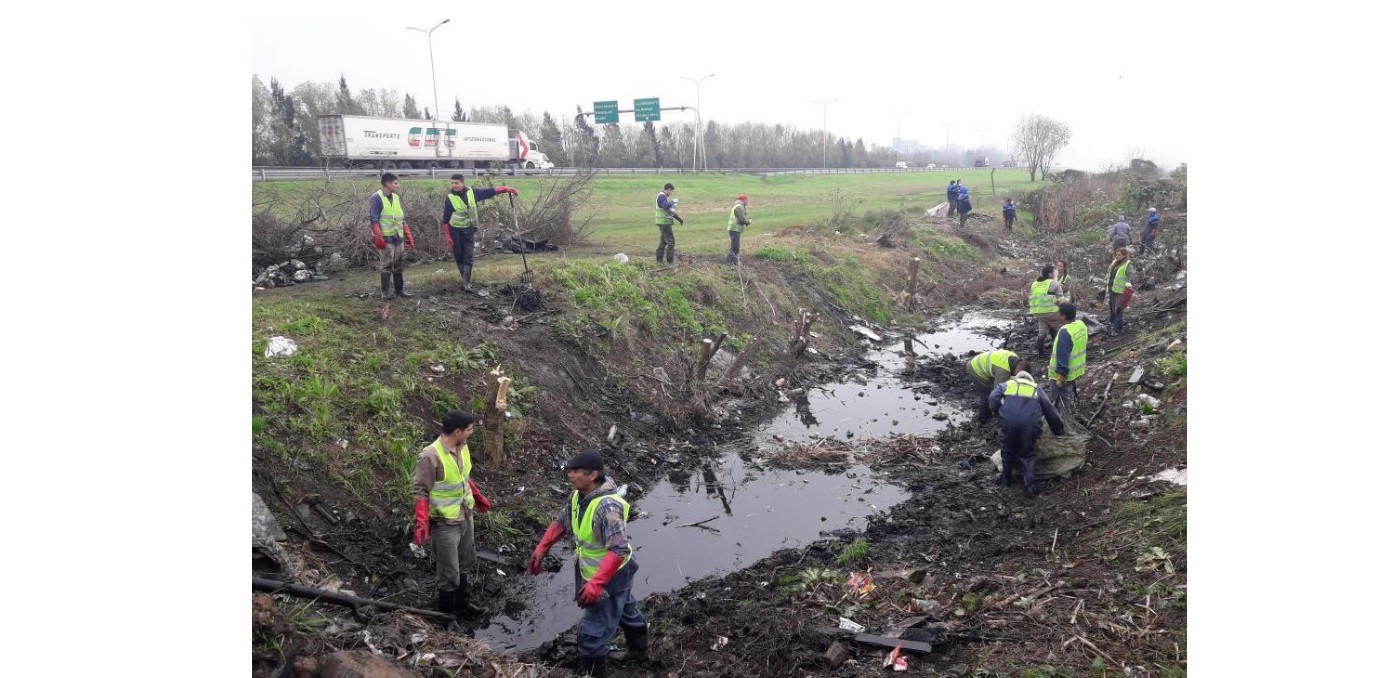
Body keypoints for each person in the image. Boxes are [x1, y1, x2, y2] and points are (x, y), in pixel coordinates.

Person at [528, 450, 647, 677]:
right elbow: (562, 521)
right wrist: (542, 548)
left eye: (575, 472)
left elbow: (618, 548)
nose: (569, 475)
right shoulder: (579, 496)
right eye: (569, 471)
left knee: (590, 636)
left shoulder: (608, 508)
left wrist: (595, 585)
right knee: (626, 610)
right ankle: (639, 655)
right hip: (608, 572)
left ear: (593, 475)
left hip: (612, 575)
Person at [412, 410, 493, 620]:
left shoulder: (462, 447)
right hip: (445, 521)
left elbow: (462, 478)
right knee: (449, 572)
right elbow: (421, 490)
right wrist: (421, 522)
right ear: (458, 431)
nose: (471, 433)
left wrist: (477, 495)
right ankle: (447, 617)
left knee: (466, 561)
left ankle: (463, 605)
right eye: (469, 429)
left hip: (465, 513)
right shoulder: (430, 456)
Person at [988, 361, 1066, 497]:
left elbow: (992, 398)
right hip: (1030, 426)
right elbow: (1050, 411)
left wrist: (999, 413)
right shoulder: (1036, 388)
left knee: (1006, 450)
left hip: (1009, 423)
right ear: (1030, 375)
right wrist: (1058, 429)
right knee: (1027, 454)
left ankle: (1006, 481)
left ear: (1016, 374)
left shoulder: (1006, 385)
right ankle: (1029, 487)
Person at [441, 175, 518, 293]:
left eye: (456, 183)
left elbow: (489, 192)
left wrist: (505, 189)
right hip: (455, 230)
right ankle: (464, 279)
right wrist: (448, 237)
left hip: (469, 230)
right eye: (452, 183)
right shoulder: (450, 198)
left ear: (462, 183)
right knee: (458, 255)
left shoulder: (472, 193)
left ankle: (466, 283)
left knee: (468, 256)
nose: (454, 185)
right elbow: (445, 220)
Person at [369, 173, 416, 300]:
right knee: (386, 264)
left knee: (398, 263)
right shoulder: (376, 198)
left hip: (398, 236)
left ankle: (399, 291)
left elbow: (401, 218)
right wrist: (378, 237)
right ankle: (384, 293)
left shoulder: (395, 197)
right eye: (396, 183)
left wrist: (408, 235)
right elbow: (374, 219)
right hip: (386, 237)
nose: (398, 185)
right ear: (388, 184)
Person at [1048, 303, 1088, 414]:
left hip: (1062, 373)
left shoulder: (1065, 331)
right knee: (1067, 393)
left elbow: (1063, 355)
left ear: (1064, 316)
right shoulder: (1081, 325)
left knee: (1060, 400)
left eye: (1059, 314)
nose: (1057, 316)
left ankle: (1064, 420)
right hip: (1076, 370)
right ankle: (1068, 413)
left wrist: (1060, 376)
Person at [967, 349, 1020, 423]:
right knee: (986, 396)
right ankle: (983, 419)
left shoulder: (1016, 360)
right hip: (975, 368)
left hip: (989, 366)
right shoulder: (1003, 372)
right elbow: (996, 395)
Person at [1028, 265, 1067, 357]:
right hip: (1051, 313)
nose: (1056, 273)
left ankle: (1041, 354)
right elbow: (1061, 300)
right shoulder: (1054, 283)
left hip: (1038, 313)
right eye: (1054, 271)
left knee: (1042, 334)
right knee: (1058, 330)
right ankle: (1057, 352)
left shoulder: (1034, 283)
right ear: (1050, 274)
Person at [654, 183, 684, 264]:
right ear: (668, 189)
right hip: (664, 223)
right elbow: (666, 207)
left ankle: (659, 260)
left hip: (664, 223)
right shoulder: (661, 197)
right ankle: (670, 262)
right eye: (672, 191)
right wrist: (673, 201)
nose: (672, 193)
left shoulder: (664, 198)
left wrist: (679, 219)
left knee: (663, 242)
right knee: (671, 242)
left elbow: (669, 212)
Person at [1106, 247, 1133, 333]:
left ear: (1124, 255)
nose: (1117, 256)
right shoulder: (1115, 263)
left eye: (1119, 255)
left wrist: (1129, 283)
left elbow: (1131, 276)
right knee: (1114, 309)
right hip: (1113, 289)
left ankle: (1118, 329)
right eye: (1116, 255)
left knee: (1118, 310)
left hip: (1121, 291)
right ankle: (1116, 324)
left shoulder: (1128, 264)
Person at [727, 194, 751, 264]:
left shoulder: (738, 206)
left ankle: (731, 261)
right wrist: (748, 222)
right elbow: (742, 219)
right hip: (735, 229)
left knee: (734, 246)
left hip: (734, 228)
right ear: (743, 200)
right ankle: (731, 262)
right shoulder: (739, 207)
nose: (747, 202)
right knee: (735, 247)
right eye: (747, 200)